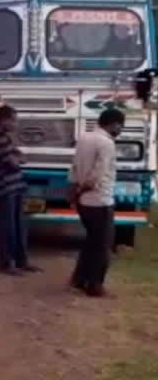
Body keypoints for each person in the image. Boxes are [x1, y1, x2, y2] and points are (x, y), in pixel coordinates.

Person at [68, 108, 124, 297]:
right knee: (103, 246)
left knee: (91, 241)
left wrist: (74, 191)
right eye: (120, 125)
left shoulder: (84, 139)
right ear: (113, 123)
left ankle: (78, 279)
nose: (121, 129)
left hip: (84, 204)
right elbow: (97, 176)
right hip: (100, 202)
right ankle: (95, 286)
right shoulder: (107, 143)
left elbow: (74, 166)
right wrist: (80, 190)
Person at [0, 105, 42, 276]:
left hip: (16, 187)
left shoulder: (6, 138)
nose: (16, 124)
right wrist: (19, 158)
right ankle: (7, 264)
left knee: (20, 227)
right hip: (6, 189)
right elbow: (15, 162)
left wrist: (18, 157)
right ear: (3, 120)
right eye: (13, 120)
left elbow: (19, 157)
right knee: (8, 228)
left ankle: (21, 261)